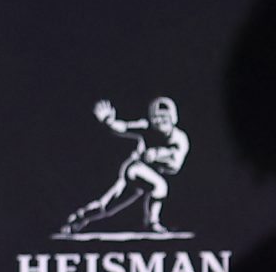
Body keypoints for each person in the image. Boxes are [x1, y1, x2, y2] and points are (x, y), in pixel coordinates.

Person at [59, 97, 190, 236]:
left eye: (164, 116)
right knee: (160, 186)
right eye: (156, 117)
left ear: (173, 117)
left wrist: (158, 153)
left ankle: (79, 217)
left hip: (146, 177)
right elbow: (124, 126)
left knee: (107, 207)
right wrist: (108, 121)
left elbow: (175, 163)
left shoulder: (180, 138)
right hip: (136, 170)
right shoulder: (146, 127)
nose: (160, 120)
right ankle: (152, 222)